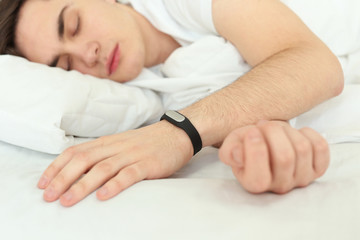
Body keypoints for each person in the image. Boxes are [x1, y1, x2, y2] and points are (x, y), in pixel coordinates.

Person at [0, 0, 343, 207]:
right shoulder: (145, 96)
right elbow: (244, 114)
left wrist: (179, 134)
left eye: (74, 25)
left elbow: (316, 64)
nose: (86, 54)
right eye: (64, 65)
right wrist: (259, 153)